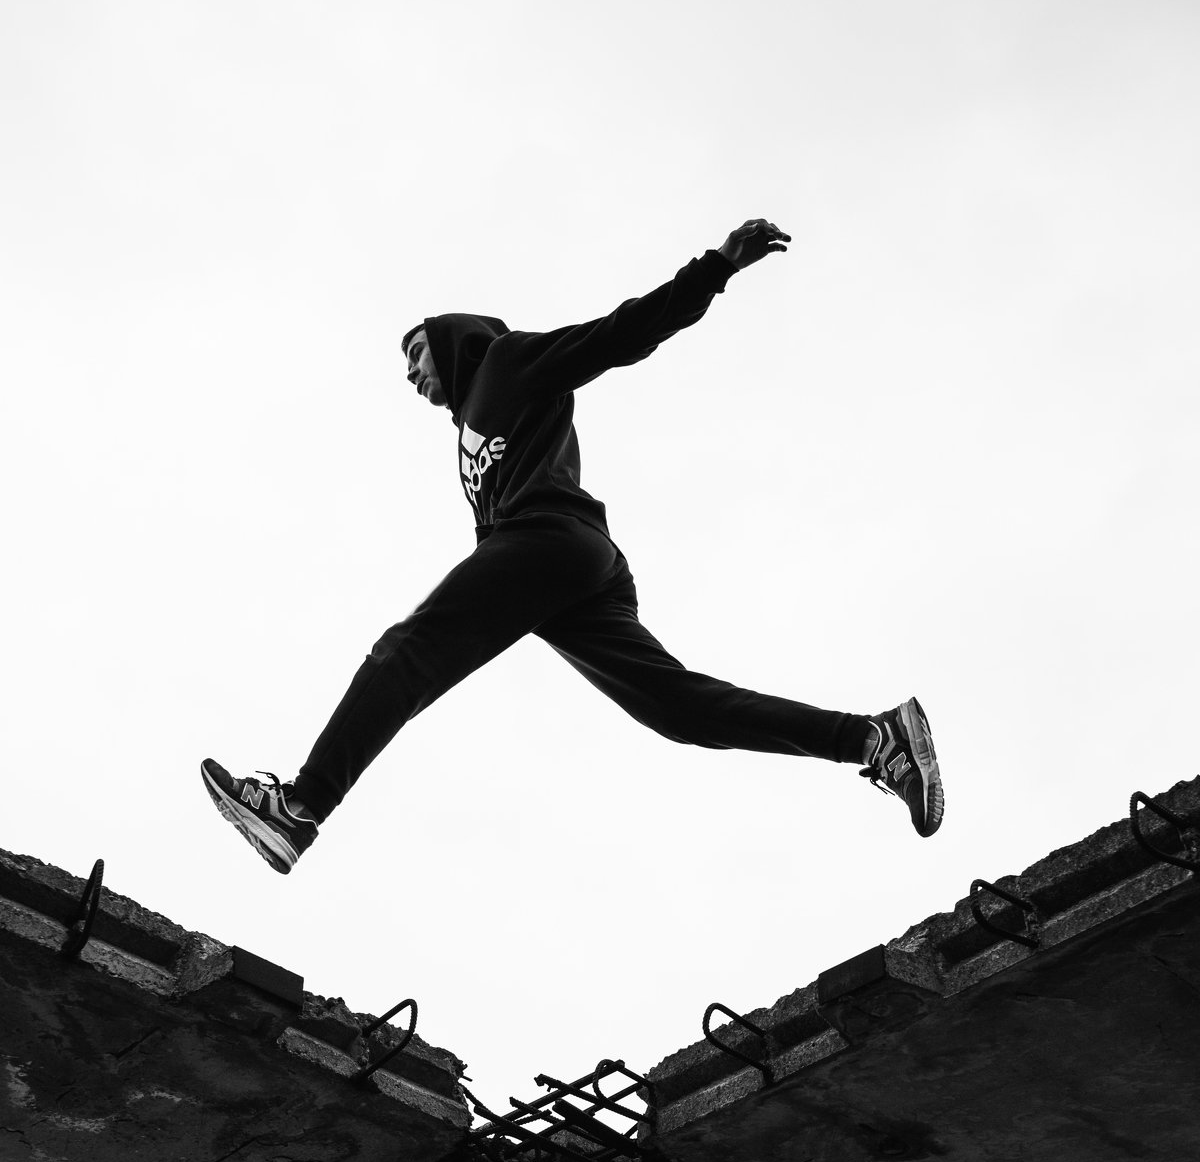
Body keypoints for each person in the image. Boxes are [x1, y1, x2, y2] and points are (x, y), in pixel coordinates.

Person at [201, 218, 943, 874]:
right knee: (677, 709)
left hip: (551, 542)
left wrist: (715, 268)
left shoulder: (507, 362)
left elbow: (616, 335)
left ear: (452, 337)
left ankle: (299, 807)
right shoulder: (474, 429)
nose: (411, 373)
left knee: (408, 652)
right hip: (570, 574)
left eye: (417, 352)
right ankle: (875, 740)